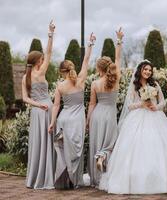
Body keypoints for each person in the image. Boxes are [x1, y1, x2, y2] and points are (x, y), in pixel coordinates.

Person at [99, 60, 167, 194]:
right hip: (138, 118)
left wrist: (156, 107)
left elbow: (163, 102)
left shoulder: (154, 84)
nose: (148, 72)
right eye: (145, 69)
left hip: (155, 116)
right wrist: (141, 104)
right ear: (140, 70)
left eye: (150, 70)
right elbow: (129, 105)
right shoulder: (134, 85)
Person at [48, 33, 96, 189]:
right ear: (72, 68)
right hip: (77, 120)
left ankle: (64, 178)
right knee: (76, 150)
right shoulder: (81, 79)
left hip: (63, 119)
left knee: (63, 150)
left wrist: (52, 122)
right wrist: (90, 44)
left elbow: (56, 106)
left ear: (62, 71)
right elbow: (86, 60)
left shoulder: (60, 86)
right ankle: (74, 179)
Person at [87, 28, 123, 187]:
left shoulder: (95, 83)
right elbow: (118, 57)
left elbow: (91, 104)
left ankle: (96, 178)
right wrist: (119, 40)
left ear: (98, 69)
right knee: (110, 143)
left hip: (97, 115)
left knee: (97, 141)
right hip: (109, 114)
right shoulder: (116, 79)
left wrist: (88, 121)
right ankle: (102, 159)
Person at [22, 20, 55, 189]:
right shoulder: (40, 72)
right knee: (48, 142)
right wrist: (50, 34)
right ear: (37, 61)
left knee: (38, 143)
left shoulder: (25, 77)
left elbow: (25, 99)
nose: (44, 61)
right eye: (41, 59)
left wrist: (36, 105)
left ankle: (35, 177)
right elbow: (49, 53)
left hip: (36, 111)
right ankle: (47, 176)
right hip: (46, 108)